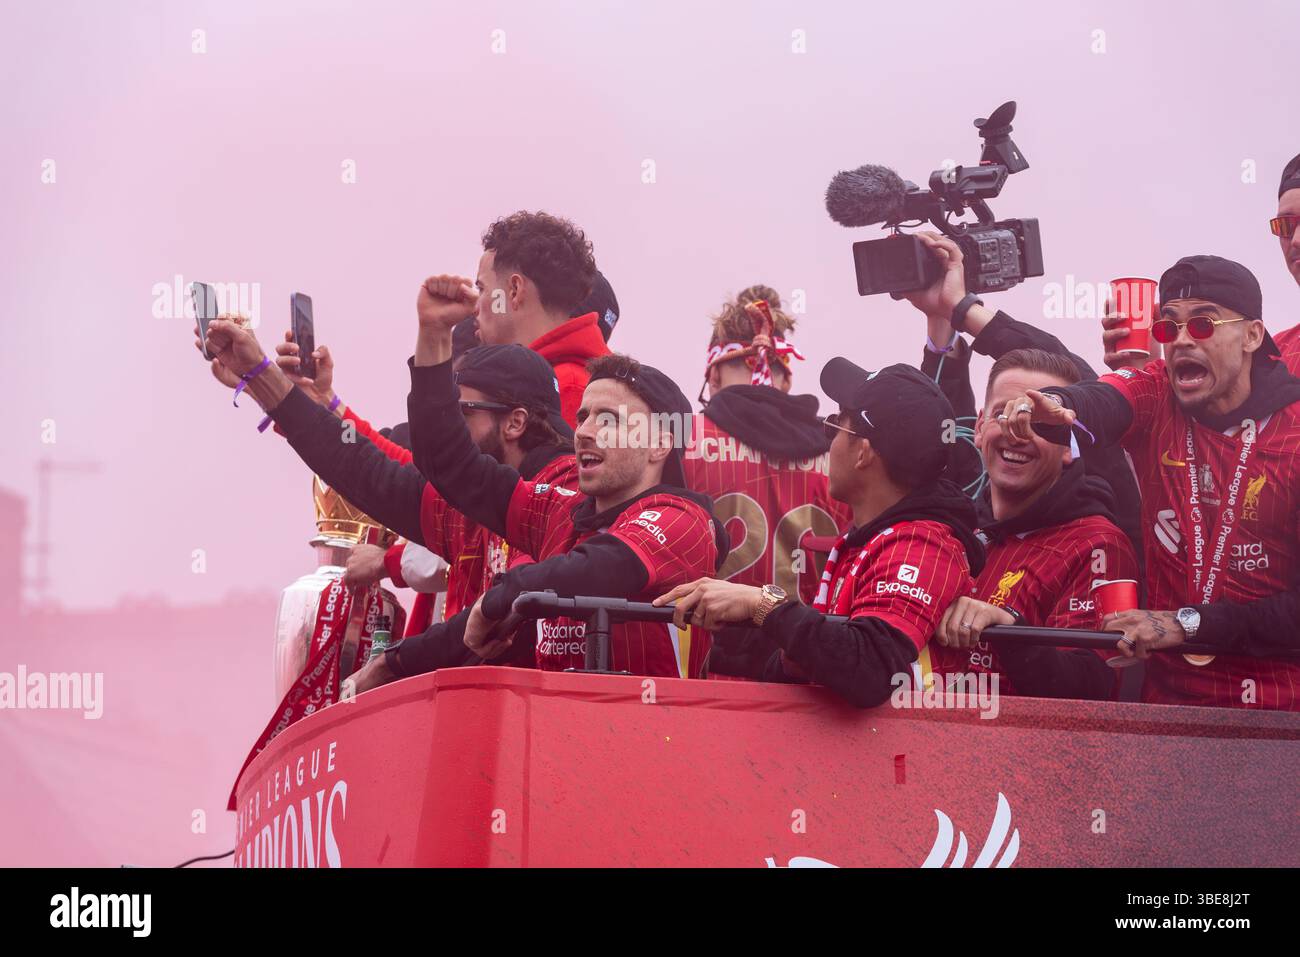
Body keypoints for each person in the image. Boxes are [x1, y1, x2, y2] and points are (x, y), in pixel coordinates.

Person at [1001, 255, 1300, 710]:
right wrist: (1058, 403)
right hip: (1171, 715)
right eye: (1168, 327)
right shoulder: (1159, 391)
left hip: (1279, 719)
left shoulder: (1294, 433)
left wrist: (1186, 624)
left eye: (1202, 325)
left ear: (1252, 336)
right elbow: (1105, 398)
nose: (1180, 341)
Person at [197, 316, 577, 660]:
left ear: (515, 423)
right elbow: (363, 467)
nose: (449, 432)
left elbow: (513, 604)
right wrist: (258, 374)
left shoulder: (559, 498)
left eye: (462, 413)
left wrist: (392, 664)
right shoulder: (468, 504)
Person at [397, 281, 727, 678]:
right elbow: (451, 466)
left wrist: (497, 599)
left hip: (657, 737)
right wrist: (433, 338)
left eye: (608, 420)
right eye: (583, 417)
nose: (584, 432)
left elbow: (599, 569)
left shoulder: (682, 517)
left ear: (659, 444)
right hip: (558, 733)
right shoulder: (561, 510)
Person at [654, 360, 984, 708]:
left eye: (836, 426)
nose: (829, 441)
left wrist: (760, 604)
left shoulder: (922, 543)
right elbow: (819, 659)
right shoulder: (876, 537)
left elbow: (870, 666)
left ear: (863, 453)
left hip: (903, 756)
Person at [442, 211, 611, 426]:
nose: (474, 307)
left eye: (482, 289)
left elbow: (448, 459)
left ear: (514, 290)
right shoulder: (567, 381)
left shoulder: (569, 389)